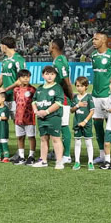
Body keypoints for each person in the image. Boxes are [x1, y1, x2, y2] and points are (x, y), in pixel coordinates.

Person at [89, 32, 111, 163]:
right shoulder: (93, 56)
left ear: (104, 41)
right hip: (95, 96)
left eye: (96, 39)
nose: (93, 41)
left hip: (108, 96)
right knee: (97, 126)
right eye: (93, 39)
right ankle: (103, 154)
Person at [32, 66, 65, 169]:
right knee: (43, 139)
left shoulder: (57, 87)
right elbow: (34, 101)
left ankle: (59, 161)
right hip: (41, 118)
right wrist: (36, 111)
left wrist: (46, 112)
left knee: (55, 138)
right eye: (47, 74)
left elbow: (58, 103)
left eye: (52, 74)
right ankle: (43, 160)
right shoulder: (40, 88)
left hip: (53, 117)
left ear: (55, 75)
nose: (50, 76)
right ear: (43, 75)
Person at [49, 38, 74, 166]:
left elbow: (67, 81)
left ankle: (67, 155)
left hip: (63, 98)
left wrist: (72, 97)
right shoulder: (57, 60)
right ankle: (57, 151)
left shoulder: (60, 61)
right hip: (57, 98)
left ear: (53, 46)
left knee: (64, 126)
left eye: (50, 44)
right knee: (57, 126)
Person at [69, 76, 95, 170]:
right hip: (77, 123)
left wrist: (85, 121)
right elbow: (71, 110)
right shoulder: (75, 98)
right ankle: (77, 162)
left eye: (81, 86)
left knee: (88, 142)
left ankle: (90, 162)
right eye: (77, 86)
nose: (79, 88)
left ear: (86, 86)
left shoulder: (89, 97)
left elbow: (92, 111)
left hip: (86, 124)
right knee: (77, 142)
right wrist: (77, 105)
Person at [11, 70, 36, 164]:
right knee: (20, 137)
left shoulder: (32, 90)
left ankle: (31, 156)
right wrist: (14, 115)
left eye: (28, 76)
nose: (26, 78)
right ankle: (21, 156)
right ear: (19, 78)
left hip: (29, 117)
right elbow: (15, 101)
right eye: (23, 77)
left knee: (31, 137)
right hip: (18, 117)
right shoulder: (16, 90)